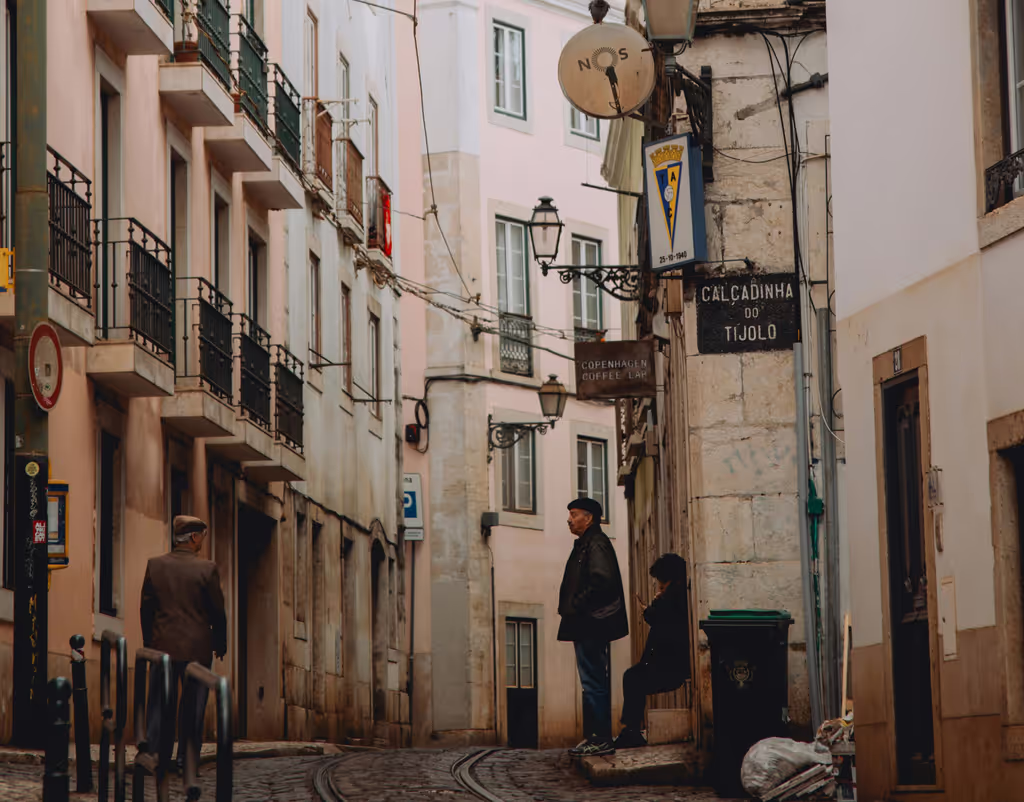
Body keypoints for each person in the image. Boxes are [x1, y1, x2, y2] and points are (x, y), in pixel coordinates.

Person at [141, 515, 227, 773]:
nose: (202, 541)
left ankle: (154, 754)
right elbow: (217, 612)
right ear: (193, 537)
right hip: (196, 651)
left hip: (161, 646)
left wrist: (149, 642)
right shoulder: (207, 569)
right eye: (202, 536)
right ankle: (184, 760)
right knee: (193, 707)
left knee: (157, 703)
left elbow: (146, 609)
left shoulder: (154, 566)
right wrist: (220, 643)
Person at [557, 497, 628, 757]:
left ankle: (600, 738)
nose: (569, 519)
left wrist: (577, 604)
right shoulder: (589, 543)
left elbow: (602, 582)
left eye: (574, 514)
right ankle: (595, 737)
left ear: (589, 518)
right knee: (592, 680)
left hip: (590, 623)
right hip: (588, 622)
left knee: (593, 681)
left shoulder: (596, 544)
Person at [614, 552, 691, 750]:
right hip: (665, 664)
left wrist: (652, 609)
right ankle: (631, 730)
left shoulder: (675, 599)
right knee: (633, 678)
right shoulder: (673, 598)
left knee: (633, 679)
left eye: (661, 584)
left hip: (671, 667)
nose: (659, 588)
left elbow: (664, 624)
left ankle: (631, 731)